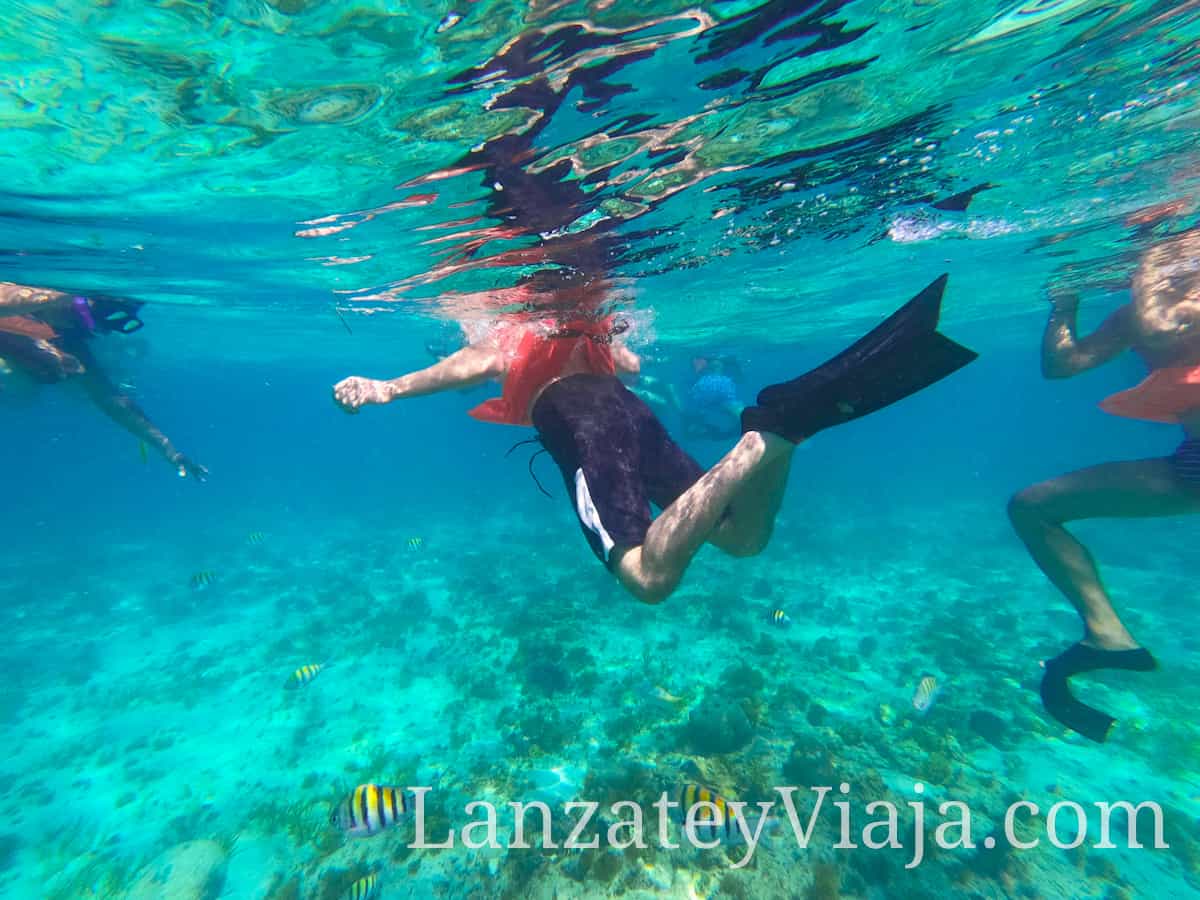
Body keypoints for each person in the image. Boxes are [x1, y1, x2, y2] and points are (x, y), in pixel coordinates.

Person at [333, 274, 976, 603]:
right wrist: (601, 339)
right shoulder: (592, 333)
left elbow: (466, 368)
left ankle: (758, 444)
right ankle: (777, 435)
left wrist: (386, 387)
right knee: (744, 538)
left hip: (584, 423)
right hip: (629, 412)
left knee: (647, 579)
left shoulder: (508, 335)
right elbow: (636, 369)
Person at [1008, 228, 1200, 743]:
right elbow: (1063, 364)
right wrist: (1065, 302)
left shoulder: (1173, 296)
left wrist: (1153, 248)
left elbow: (1160, 324)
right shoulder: (1143, 310)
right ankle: (1107, 636)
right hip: (1194, 462)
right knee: (1031, 508)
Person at [0, 281, 207, 480]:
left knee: (49, 375)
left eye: (89, 325)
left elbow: (111, 399)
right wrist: (57, 299)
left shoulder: (65, 334)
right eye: (84, 317)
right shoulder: (41, 299)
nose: (76, 325)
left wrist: (168, 450)